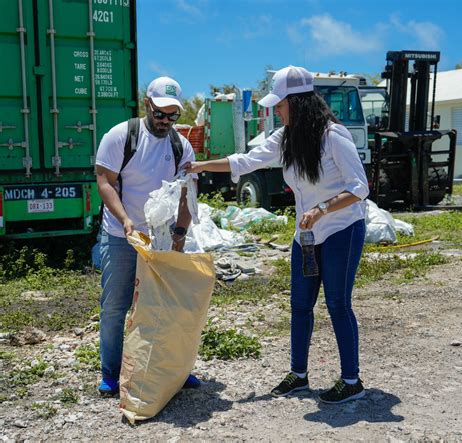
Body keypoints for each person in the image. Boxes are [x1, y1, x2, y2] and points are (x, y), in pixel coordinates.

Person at [184, 66, 369, 404]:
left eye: (280, 104)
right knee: (300, 304)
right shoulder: (285, 137)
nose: (275, 110)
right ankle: (298, 375)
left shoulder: (334, 136)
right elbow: (247, 161)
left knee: (338, 304)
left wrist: (322, 209)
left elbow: (360, 188)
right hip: (307, 236)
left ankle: (351, 379)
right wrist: (201, 166)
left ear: (298, 102)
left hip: (342, 228)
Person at [95, 76, 200, 396]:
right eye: (160, 113)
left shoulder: (180, 146)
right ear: (147, 105)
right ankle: (111, 373)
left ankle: (172, 371)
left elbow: (187, 194)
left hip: (160, 238)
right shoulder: (121, 136)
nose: (165, 121)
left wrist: (179, 235)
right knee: (116, 305)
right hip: (120, 234)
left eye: (172, 115)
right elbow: (104, 181)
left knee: (167, 306)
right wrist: (125, 220)